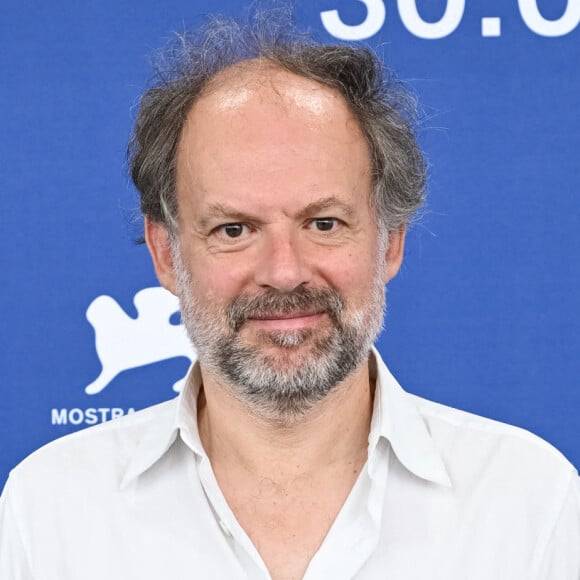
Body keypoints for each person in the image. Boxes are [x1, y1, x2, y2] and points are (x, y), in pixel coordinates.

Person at [1, 12, 578, 580]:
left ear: (391, 240)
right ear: (165, 254)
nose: (283, 272)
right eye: (234, 230)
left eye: (324, 223)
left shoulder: (531, 503)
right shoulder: (48, 509)